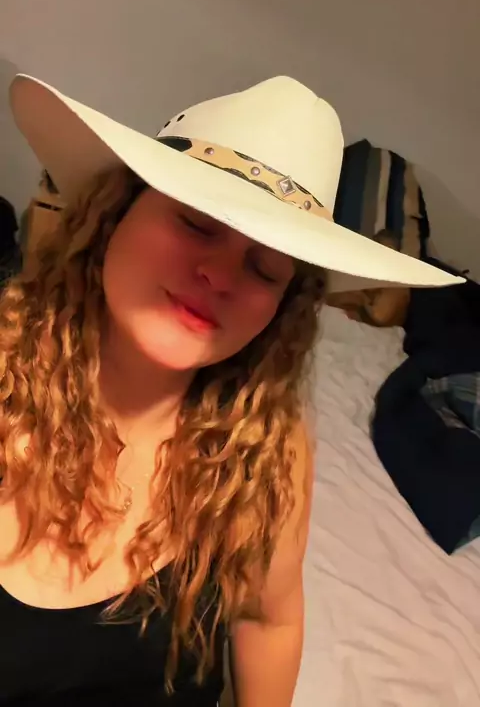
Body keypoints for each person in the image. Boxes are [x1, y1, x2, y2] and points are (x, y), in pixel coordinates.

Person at [0, 74, 460, 706]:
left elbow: (269, 621)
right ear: (115, 213)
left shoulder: (264, 452)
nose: (218, 275)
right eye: (197, 223)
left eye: (265, 268)